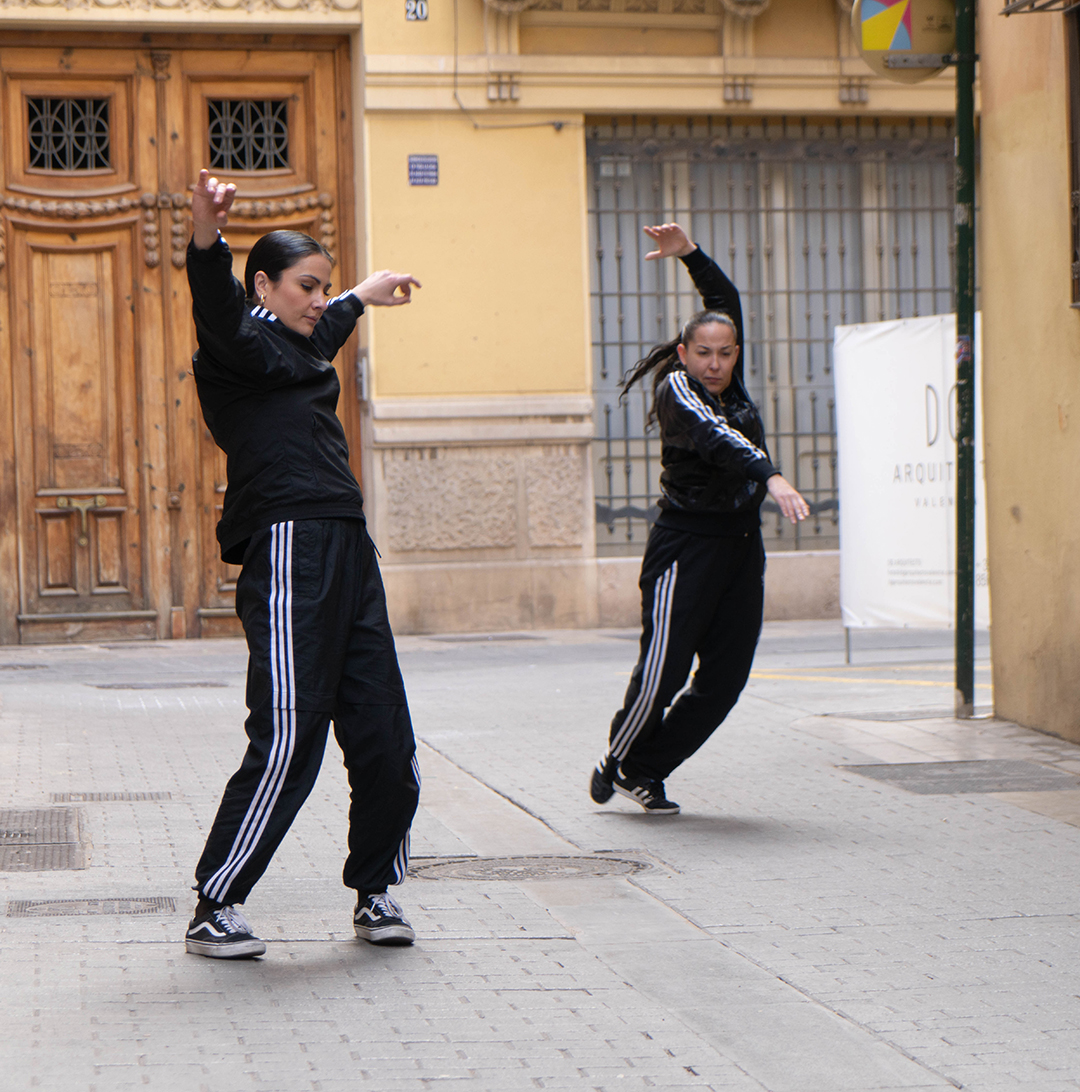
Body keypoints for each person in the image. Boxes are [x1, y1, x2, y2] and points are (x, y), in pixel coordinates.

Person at [183, 169, 422, 958]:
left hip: (349, 546)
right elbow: (216, 304)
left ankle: (377, 892)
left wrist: (363, 291)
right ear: (264, 286)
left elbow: (325, 330)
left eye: (322, 287)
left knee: (384, 730)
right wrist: (206, 237)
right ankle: (217, 901)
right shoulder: (237, 342)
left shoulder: (297, 341)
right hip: (288, 547)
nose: (317, 300)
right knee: (291, 734)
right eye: (305, 286)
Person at [590, 223, 809, 816]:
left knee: (725, 679)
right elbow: (718, 440)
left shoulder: (731, 378)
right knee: (663, 672)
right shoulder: (678, 391)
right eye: (704, 352)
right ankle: (619, 754)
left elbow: (725, 307)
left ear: (737, 353)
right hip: (685, 547)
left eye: (726, 352)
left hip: (741, 547)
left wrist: (691, 255)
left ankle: (647, 767)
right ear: (684, 353)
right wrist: (771, 473)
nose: (716, 363)